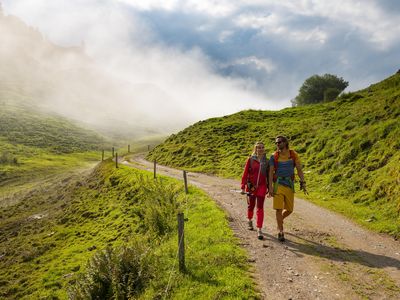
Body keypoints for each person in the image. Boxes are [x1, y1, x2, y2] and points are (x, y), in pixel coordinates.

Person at [268, 135, 307, 242]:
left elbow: (299, 169)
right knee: (278, 209)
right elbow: (270, 172)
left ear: (285, 142)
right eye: (276, 143)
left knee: (289, 210)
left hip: (289, 184)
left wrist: (303, 181)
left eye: (280, 142)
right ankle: (280, 231)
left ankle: (279, 221)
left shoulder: (293, 154)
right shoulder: (273, 156)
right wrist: (270, 187)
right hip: (278, 184)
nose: (278, 144)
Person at [241, 141, 269, 240]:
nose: (261, 149)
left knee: (260, 207)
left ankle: (259, 229)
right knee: (251, 205)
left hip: (262, 186)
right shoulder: (250, 160)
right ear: (255, 149)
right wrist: (243, 186)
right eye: (259, 147)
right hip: (251, 186)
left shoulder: (267, 161)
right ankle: (249, 220)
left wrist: (270, 188)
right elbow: (245, 173)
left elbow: (269, 176)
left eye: (262, 147)